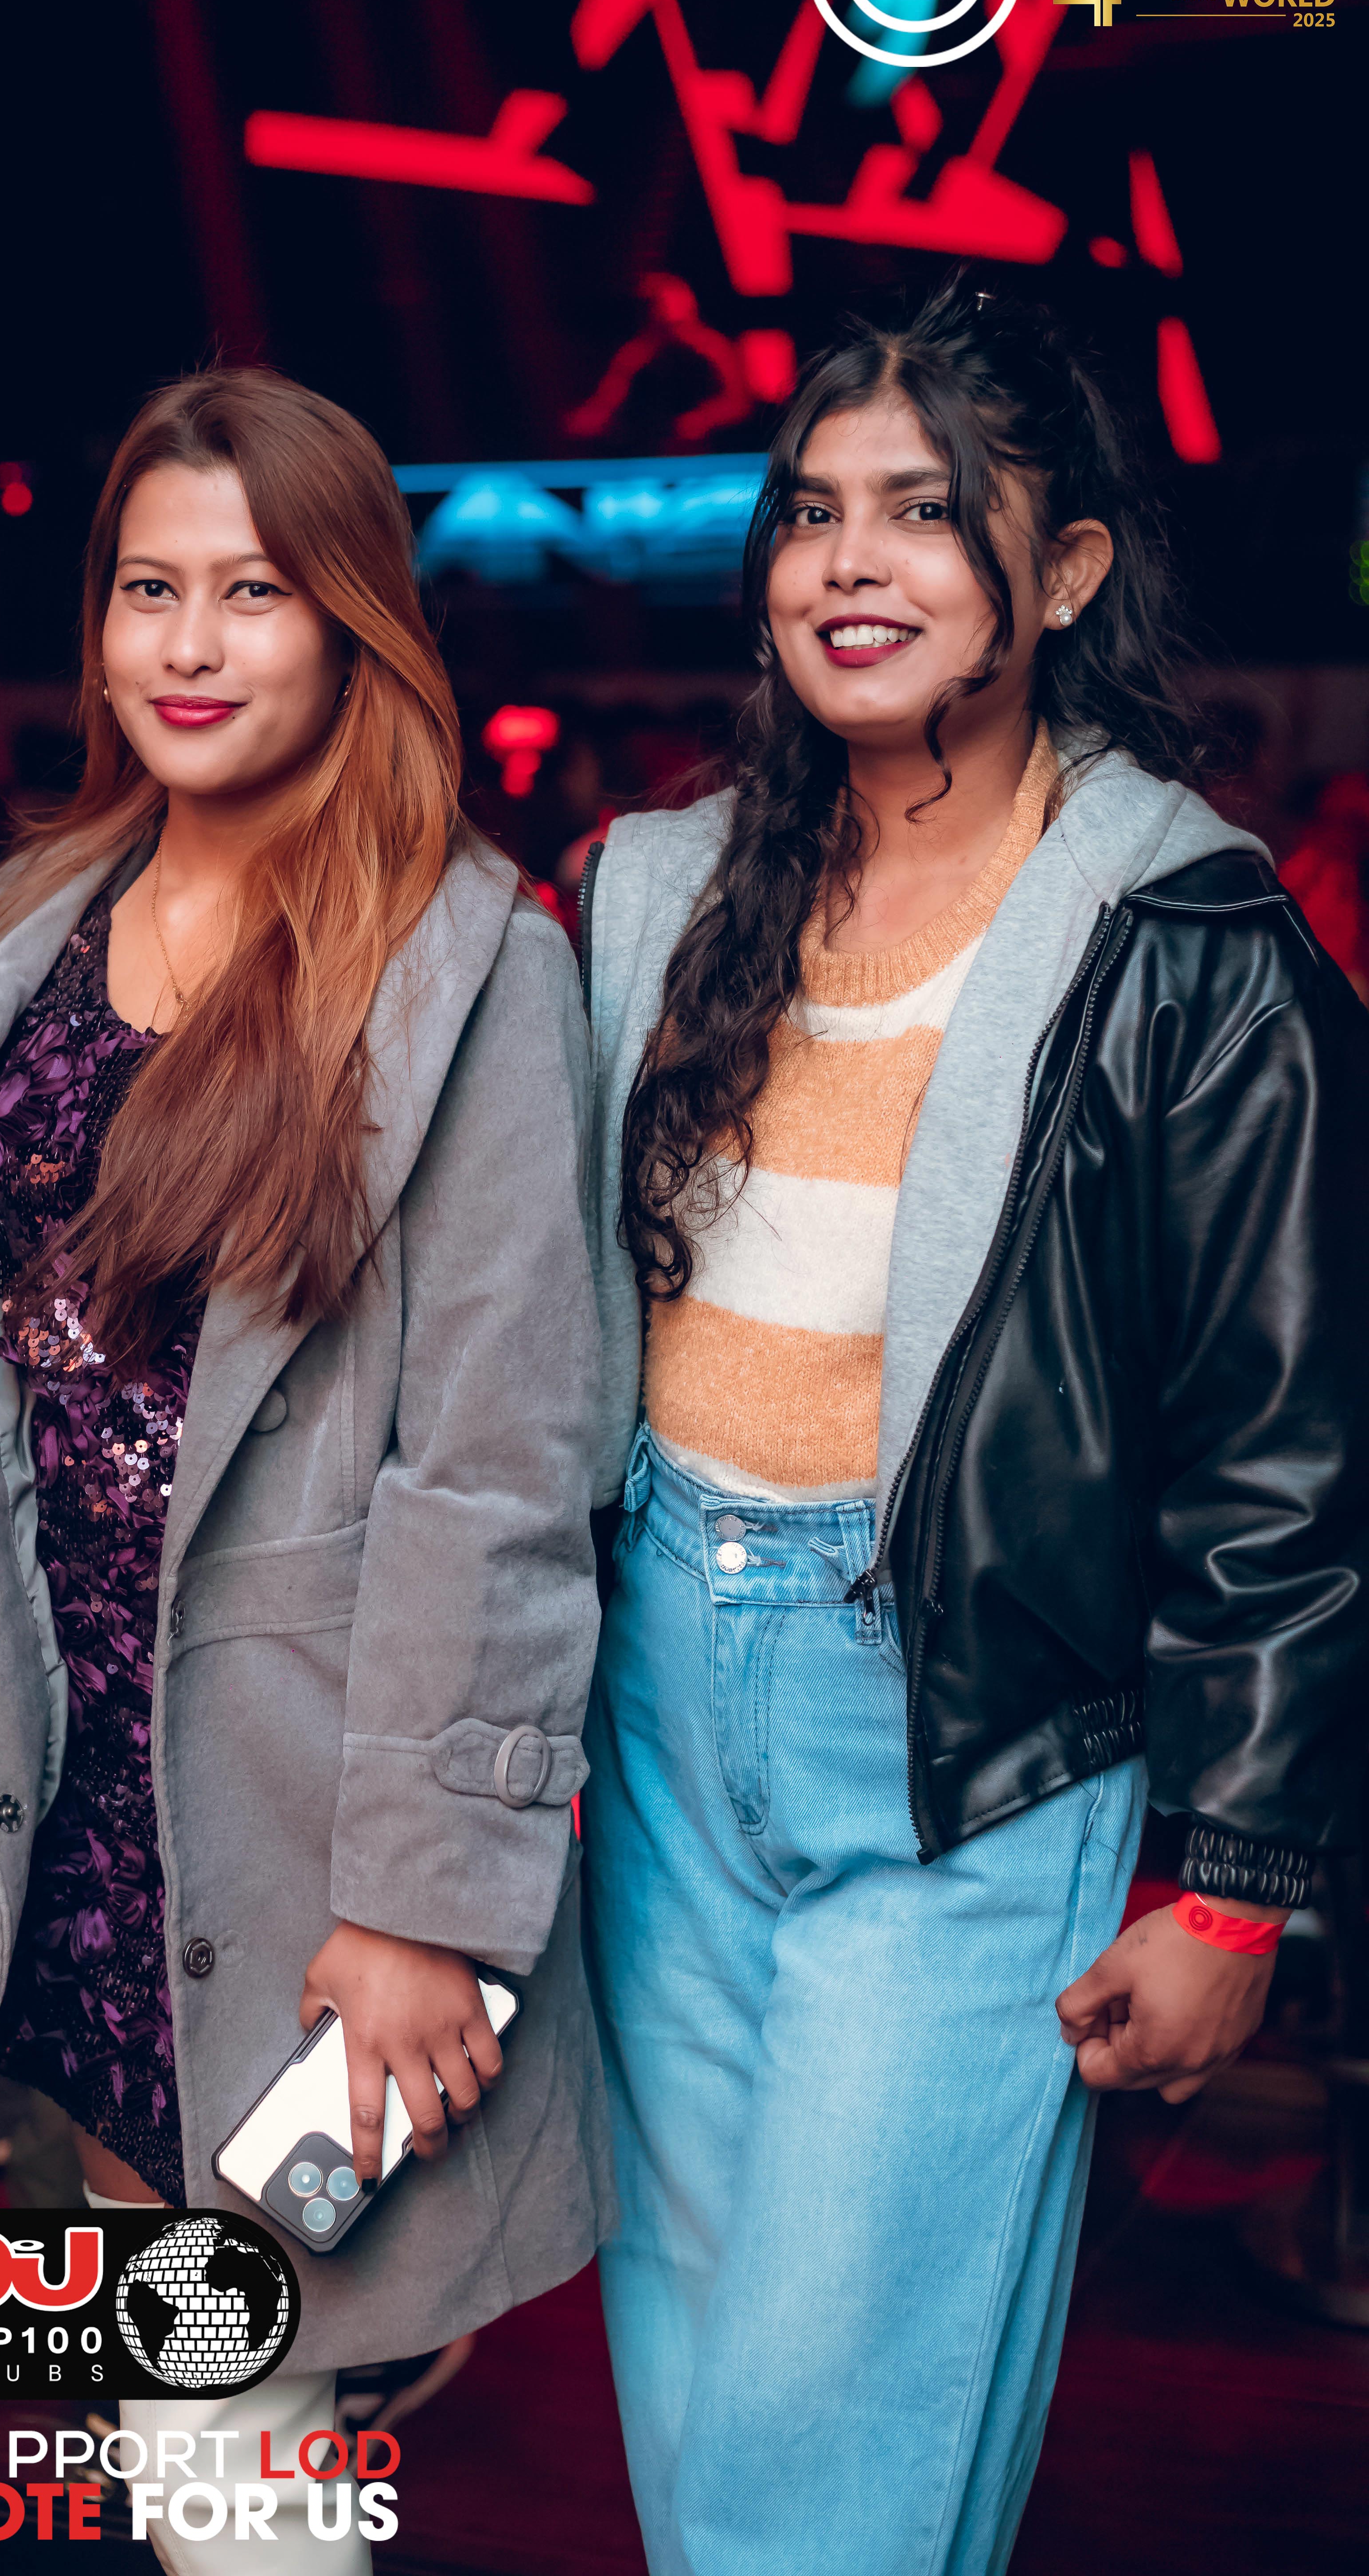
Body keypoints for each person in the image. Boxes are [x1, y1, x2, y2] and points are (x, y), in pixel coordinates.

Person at [0, 369, 612, 2570]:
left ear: (353, 624)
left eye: (254, 593)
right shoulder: (41, 908)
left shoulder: (467, 956)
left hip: (285, 1789)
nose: (189, 645)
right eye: (146, 589)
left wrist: (422, 1898)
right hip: (35, 1745)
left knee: (234, 2382)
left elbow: (499, 1461)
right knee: (144, 2340)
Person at [577, 283, 1369, 2575]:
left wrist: (1234, 1880)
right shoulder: (655, 892)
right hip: (654, 1721)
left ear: (1070, 567)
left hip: (965, 1740)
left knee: (827, 2463)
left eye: (925, 515)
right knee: (690, 2401)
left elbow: (1287, 1450)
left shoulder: (1186, 936)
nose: (850, 562)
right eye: (811, 512)